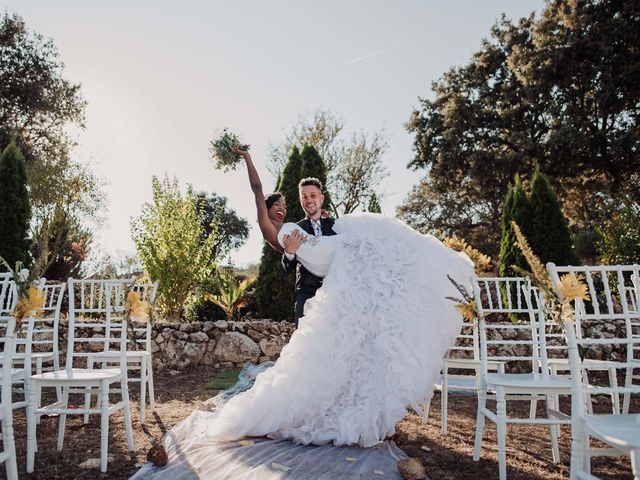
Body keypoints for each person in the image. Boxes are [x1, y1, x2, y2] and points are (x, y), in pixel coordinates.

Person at [132, 146, 475, 479]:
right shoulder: (287, 232)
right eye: (278, 206)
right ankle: (312, 408)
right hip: (310, 301)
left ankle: (344, 405)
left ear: (321, 197)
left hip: (340, 299)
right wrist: (251, 165)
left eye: (293, 202)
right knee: (310, 358)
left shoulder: (335, 226)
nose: (283, 210)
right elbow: (259, 197)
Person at [281, 177, 336, 326]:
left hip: (335, 292)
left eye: (313, 195)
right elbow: (287, 268)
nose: (308, 200)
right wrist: (289, 252)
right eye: (304, 196)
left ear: (321, 198)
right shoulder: (295, 230)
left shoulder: (337, 226)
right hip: (306, 293)